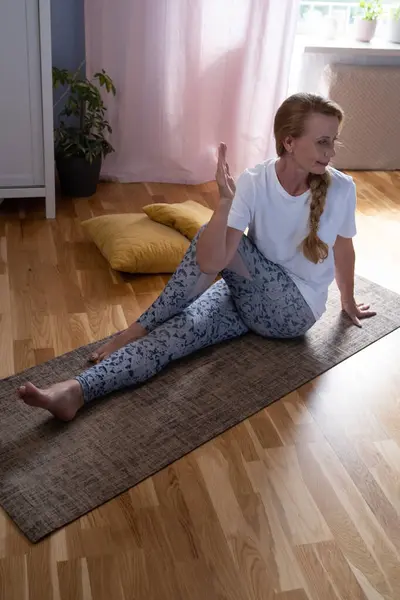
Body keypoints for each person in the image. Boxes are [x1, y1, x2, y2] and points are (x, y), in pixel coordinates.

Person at [18, 93, 376, 421]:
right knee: (175, 334)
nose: (331, 151)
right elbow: (212, 262)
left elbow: (343, 248)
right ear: (289, 141)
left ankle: (134, 329)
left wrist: (347, 300)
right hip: (248, 294)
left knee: (213, 240)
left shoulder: (342, 188)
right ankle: (78, 391)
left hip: (293, 312)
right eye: (323, 141)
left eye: (333, 140)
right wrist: (224, 203)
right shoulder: (254, 181)